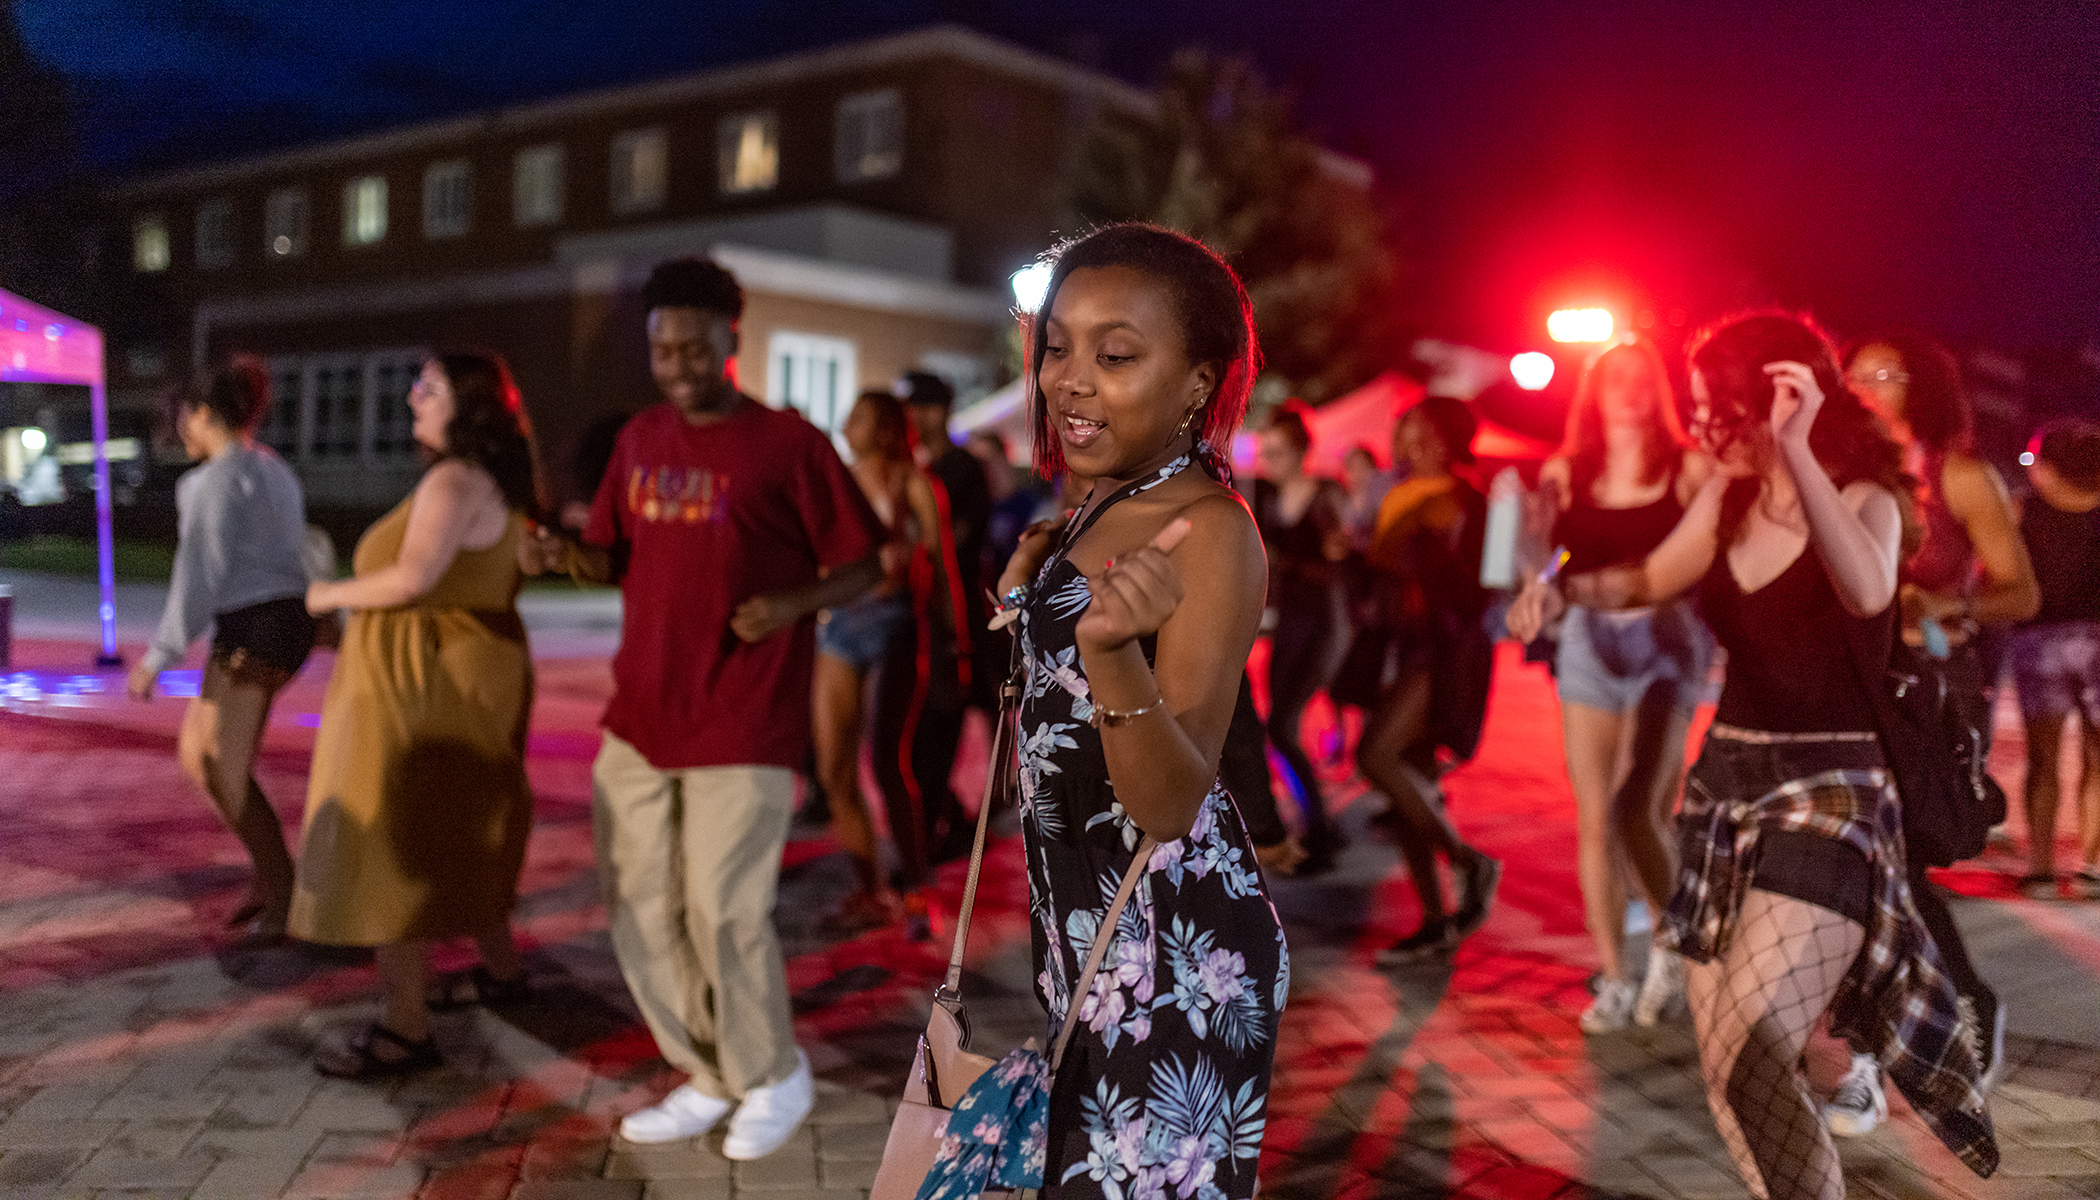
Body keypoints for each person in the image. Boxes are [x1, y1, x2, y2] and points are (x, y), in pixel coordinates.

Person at [1511, 312, 1997, 1199]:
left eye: (1714, 410)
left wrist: (1797, 450)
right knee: (1731, 1067)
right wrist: (1558, 591)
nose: (1699, 429)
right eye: (1694, 410)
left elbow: (1866, 589)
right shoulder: (1727, 495)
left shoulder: (1865, 497)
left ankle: (1838, 1059)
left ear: (1777, 403)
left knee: (1753, 1037)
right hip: (1726, 788)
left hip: (1834, 790)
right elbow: (1647, 578)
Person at [536, 258, 882, 1160]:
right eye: (663, 349)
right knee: (642, 907)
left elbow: (866, 563)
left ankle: (774, 1074)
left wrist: (793, 605)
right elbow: (608, 559)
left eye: (696, 346)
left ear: (733, 337)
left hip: (746, 715)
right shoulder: (641, 439)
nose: (680, 364)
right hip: (641, 714)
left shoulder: (791, 445)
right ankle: (711, 1071)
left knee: (724, 908)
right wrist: (556, 554)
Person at [995, 223, 1284, 1197]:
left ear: (1199, 383)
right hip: (1077, 928)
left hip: (1170, 957)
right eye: (1058, 347)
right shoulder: (1096, 499)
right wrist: (1029, 591)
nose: (1067, 379)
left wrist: (1110, 656)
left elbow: (1170, 806)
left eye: (1115, 355)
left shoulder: (1210, 533)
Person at [290, 351, 540, 1077]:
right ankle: (502, 974)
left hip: (424, 677)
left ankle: (406, 1026)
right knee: (457, 830)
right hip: (464, 664)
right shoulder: (494, 477)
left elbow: (413, 577)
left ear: (467, 405)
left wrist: (325, 596)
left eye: (428, 388)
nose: (411, 397)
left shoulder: (454, 478)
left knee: (398, 844)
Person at [1822, 331, 2035, 1133]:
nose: (1868, 384)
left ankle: (1960, 1004)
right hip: (1852, 689)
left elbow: (2021, 592)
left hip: (1933, 694)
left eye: (1888, 373)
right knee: (1855, 865)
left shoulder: (1959, 475)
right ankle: (1867, 1048)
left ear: (1927, 386)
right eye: (1858, 371)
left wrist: (1950, 606)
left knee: (1898, 865)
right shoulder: (1845, 474)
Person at [1519, 336, 1712, 1032]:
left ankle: (1670, 939)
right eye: (1614, 378)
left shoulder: (1689, 468)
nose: (1629, 389)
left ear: (1658, 390)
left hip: (1667, 636)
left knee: (1646, 806)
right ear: (1593, 394)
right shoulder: (1568, 470)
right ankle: (1614, 975)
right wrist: (1536, 587)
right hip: (1588, 639)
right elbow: (1553, 550)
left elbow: (1708, 553)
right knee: (1594, 816)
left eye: (1641, 377)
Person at [127, 355, 314, 944]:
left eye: (183, 416)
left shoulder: (211, 481)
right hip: (273, 623)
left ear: (203, 414)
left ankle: (284, 890)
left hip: (256, 630)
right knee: (195, 754)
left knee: (225, 769)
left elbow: (199, 572)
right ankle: (268, 873)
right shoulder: (272, 468)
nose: (180, 428)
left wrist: (161, 654)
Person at [1356, 396, 1503, 961]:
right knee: (1411, 776)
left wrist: (1425, 559)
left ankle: (1471, 862)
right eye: (1405, 431)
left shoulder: (1473, 499)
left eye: (1420, 431)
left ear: (1446, 440)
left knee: (1375, 756)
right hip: (1400, 644)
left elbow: (1485, 581)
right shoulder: (1396, 494)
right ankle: (1435, 920)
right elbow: (1385, 572)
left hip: (1443, 648)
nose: (1408, 441)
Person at [813, 390, 945, 937]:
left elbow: (940, 565)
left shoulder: (912, 482)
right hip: (840, 625)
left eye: (861, 416)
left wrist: (951, 641)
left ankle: (915, 888)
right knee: (834, 770)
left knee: (888, 764)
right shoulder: (835, 480)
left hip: (893, 623)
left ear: (887, 426)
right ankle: (871, 888)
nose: (847, 423)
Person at [1252, 405, 1352, 873]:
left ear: (1300, 452)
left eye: (1276, 452)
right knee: (1280, 727)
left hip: (1322, 619)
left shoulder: (1323, 497)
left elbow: (1341, 562)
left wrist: (1290, 565)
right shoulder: (1269, 497)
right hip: (1290, 619)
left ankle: (1321, 829)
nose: (1268, 460)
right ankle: (1318, 826)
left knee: (1281, 726)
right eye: (1264, 451)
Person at [2009, 418, 2100, 900]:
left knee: (2041, 760)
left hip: (2039, 643)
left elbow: (1995, 573)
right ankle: (2092, 865)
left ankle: (2040, 867)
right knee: (2098, 760)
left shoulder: (2022, 511)